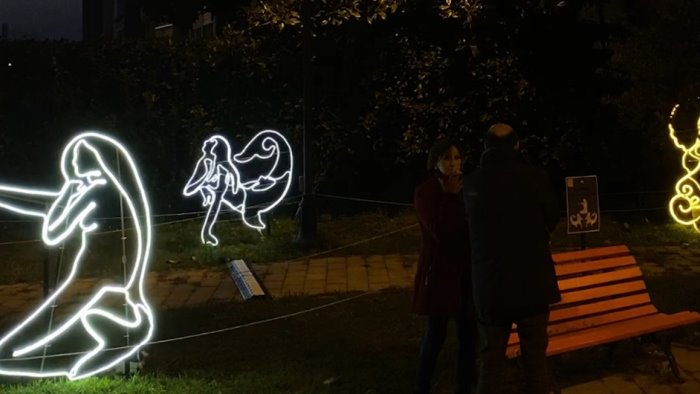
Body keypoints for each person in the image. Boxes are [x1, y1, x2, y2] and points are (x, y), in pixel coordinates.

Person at [462, 123, 560, 394]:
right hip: (533, 284)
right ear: (517, 146)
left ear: (486, 147)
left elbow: (467, 227)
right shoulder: (536, 178)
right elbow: (552, 218)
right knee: (535, 361)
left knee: (490, 360)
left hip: (491, 286)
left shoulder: (472, 183)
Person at [412, 137, 477, 394]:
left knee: (468, 334)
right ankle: (422, 385)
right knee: (436, 333)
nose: (453, 164)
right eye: (447, 158)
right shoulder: (426, 192)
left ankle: (465, 385)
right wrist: (449, 198)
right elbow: (441, 232)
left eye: (457, 157)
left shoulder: (469, 188)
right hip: (439, 273)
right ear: (436, 162)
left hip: (466, 271)